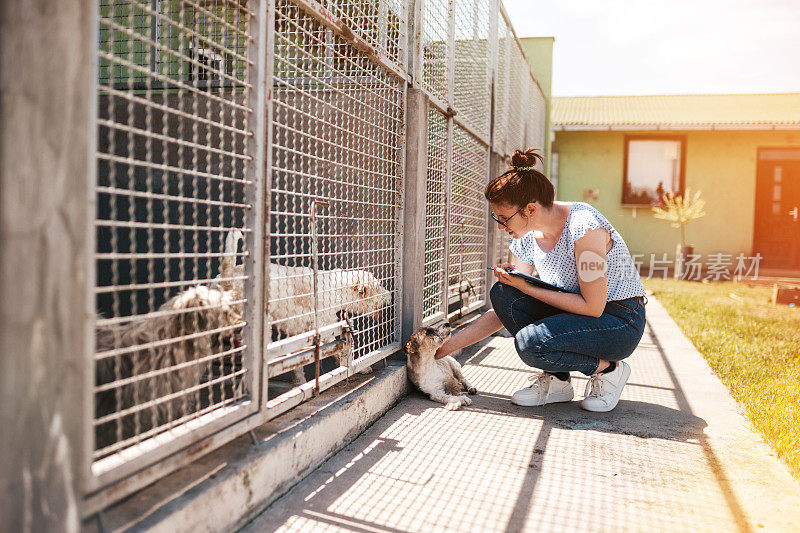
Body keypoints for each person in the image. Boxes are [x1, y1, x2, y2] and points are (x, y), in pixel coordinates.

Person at [434, 149, 647, 412]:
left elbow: (593, 307)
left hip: (618, 321)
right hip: (577, 314)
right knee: (503, 294)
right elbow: (505, 309)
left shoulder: (585, 228)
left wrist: (525, 286)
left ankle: (609, 370)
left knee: (531, 342)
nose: (500, 226)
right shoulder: (525, 236)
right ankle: (558, 381)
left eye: (503, 218)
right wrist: (442, 349)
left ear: (530, 209)